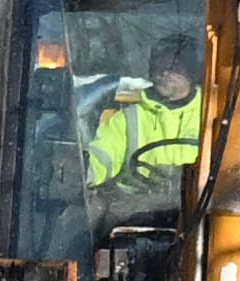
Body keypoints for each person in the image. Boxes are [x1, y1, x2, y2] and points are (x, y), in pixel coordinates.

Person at [86, 34, 206, 203]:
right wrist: (81, 171)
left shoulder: (212, 114)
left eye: (175, 66)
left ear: (192, 72)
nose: (165, 72)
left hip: (199, 210)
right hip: (135, 210)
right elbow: (102, 156)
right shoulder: (128, 119)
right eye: (160, 66)